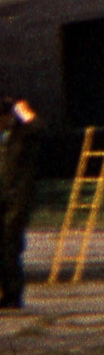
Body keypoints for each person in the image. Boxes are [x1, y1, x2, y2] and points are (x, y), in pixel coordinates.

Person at [0, 99, 39, 308]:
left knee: (10, 245)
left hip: (17, 199)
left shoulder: (23, 135)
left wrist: (25, 112)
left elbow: (40, 129)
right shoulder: (5, 139)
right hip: (3, 197)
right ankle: (7, 293)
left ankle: (13, 295)